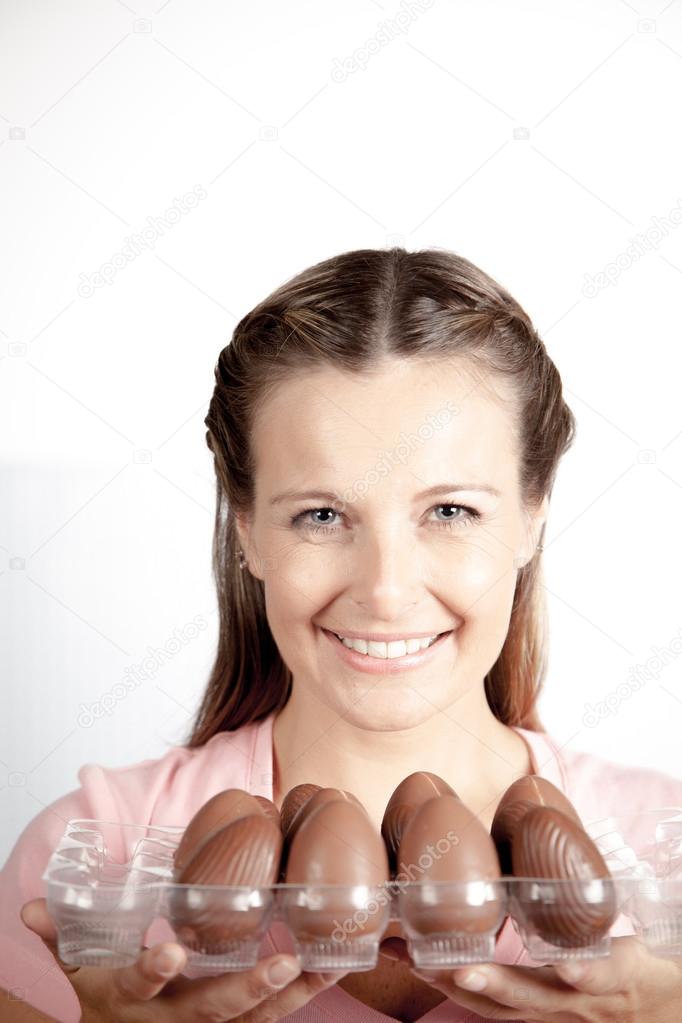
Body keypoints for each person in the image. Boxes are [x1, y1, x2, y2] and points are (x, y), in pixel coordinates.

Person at [2, 246, 682, 1023]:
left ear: (533, 516)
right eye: (321, 515)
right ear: (248, 527)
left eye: (451, 511)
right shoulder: (88, 870)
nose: (386, 591)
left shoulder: (667, 864)